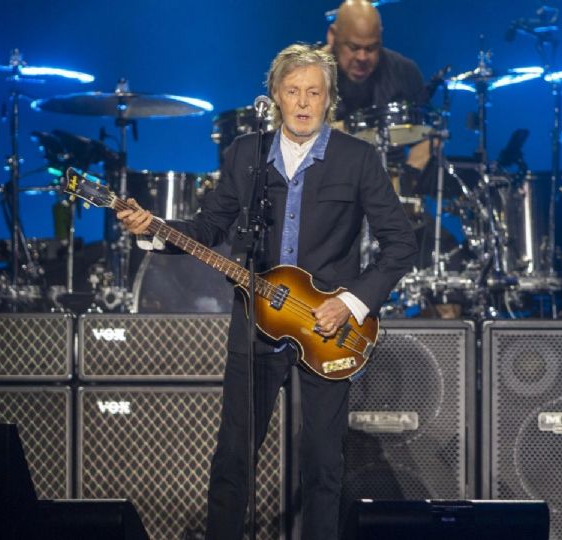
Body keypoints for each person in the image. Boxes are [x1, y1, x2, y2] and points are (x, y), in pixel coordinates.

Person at [116, 44, 417, 540]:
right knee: (233, 457)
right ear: (275, 95)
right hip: (255, 327)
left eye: (314, 93)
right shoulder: (245, 154)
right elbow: (209, 227)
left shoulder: (358, 158)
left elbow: (401, 244)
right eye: (293, 91)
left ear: (329, 100)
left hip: (329, 330)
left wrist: (350, 303)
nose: (302, 103)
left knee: (323, 463)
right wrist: (151, 229)